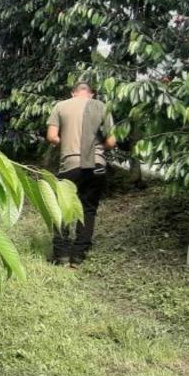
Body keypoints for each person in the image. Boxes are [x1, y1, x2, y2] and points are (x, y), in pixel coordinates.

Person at [46, 81, 117, 267]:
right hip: (97, 165)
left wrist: (68, 143)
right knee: (88, 209)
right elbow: (111, 142)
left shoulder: (60, 106)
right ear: (91, 94)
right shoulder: (101, 107)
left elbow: (52, 137)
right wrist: (98, 147)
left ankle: (61, 255)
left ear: (73, 93)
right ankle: (78, 256)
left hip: (71, 164)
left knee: (62, 208)